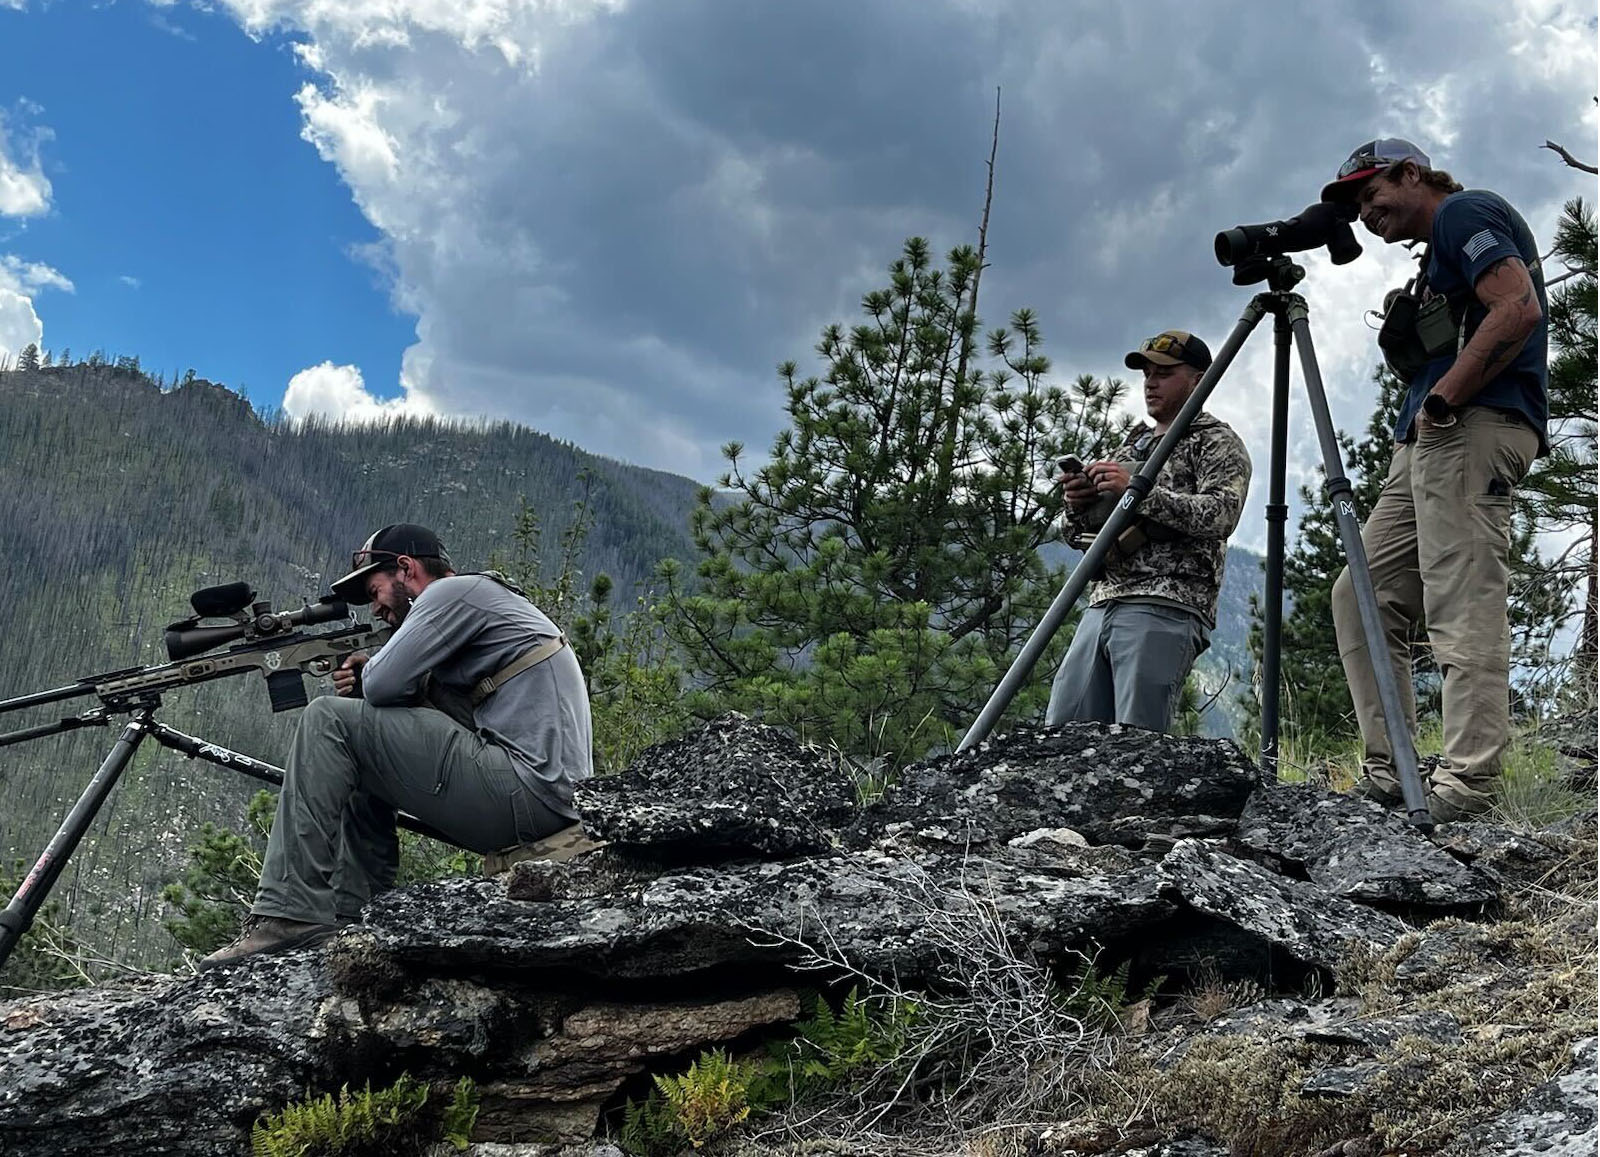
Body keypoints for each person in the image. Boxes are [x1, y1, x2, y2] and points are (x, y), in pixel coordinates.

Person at [201, 523, 594, 968]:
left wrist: (369, 672)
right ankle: (354, 916)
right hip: (542, 799)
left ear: (406, 569)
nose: (376, 608)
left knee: (328, 720)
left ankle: (287, 914)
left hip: (526, 792)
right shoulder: (483, 602)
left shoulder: (451, 594)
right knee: (356, 744)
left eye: (375, 591)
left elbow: (386, 683)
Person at [1321, 139, 1547, 823]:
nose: (1366, 212)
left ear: (1413, 173)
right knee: (1362, 593)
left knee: (1460, 594)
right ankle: (1392, 771)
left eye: (1372, 192)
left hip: (1469, 424)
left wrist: (1445, 394)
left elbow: (1517, 307)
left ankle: (1467, 785)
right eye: (1357, 204)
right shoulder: (1433, 255)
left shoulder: (1462, 213)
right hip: (1426, 438)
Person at [1045, 330, 1252, 733]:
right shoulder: (1131, 446)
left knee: (1137, 736)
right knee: (1064, 732)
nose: (1151, 383)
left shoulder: (1216, 442)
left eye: (1165, 373)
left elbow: (1221, 515)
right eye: (1147, 374)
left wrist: (1139, 491)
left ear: (1198, 379)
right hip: (1103, 600)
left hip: (1166, 603)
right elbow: (1078, 539)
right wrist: (1078, 506)